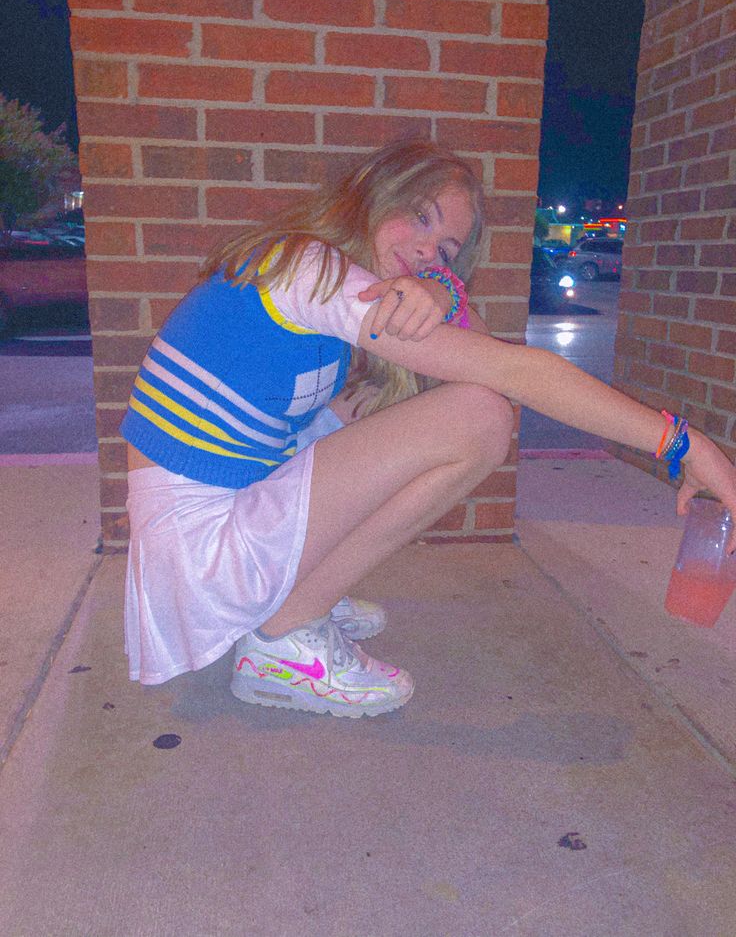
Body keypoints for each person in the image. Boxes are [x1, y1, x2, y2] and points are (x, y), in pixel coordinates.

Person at [121, 139, 736, 719]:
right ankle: (282, 640)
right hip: (200, 556)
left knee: (373, 401)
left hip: (212, 525)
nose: (424, 249)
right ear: (371, 193)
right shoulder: (308, 270)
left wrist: (441, 287)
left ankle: (295, 591)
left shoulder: (317, 277)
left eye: (444, 248)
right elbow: (511, 370)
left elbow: (449, 349)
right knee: (481, 416)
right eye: (419, 217)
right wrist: (684, 445)